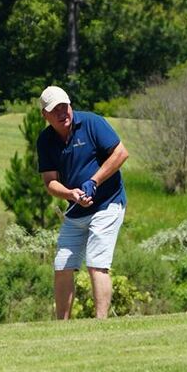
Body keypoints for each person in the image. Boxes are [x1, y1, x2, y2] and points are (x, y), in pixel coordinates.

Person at [36, 85, 129, 319]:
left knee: (96, 262)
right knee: (62, 265)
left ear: (70, 105)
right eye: (54, 110)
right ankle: (61, 326)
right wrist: (70, 194)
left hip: (108, 202)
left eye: (64, 106)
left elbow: (120, 153)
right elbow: (50, 182)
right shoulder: (45, 140)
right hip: (76, 209)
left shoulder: (91, 123)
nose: (61, 113)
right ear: (44, 115)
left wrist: (94, 181)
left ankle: (100, 323)